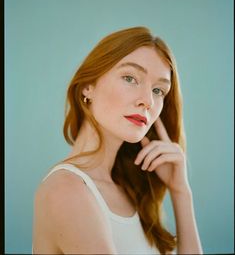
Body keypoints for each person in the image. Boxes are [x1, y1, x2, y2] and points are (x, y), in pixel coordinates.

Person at [32, 26, 203, 254]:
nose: (148, 101)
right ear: (88, 87)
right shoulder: (66, 191)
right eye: (130, 78)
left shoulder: (130, 189)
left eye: (159, 90)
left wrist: (181, 192)